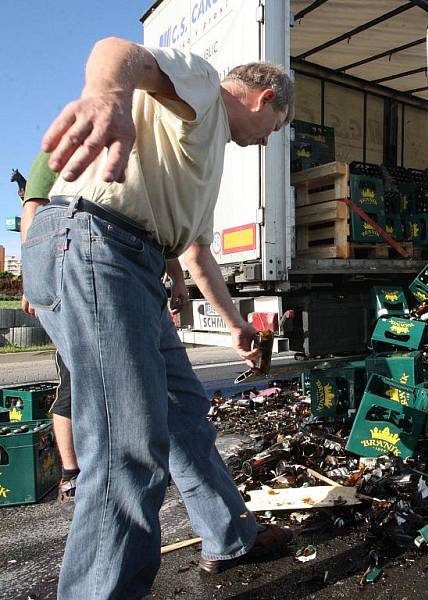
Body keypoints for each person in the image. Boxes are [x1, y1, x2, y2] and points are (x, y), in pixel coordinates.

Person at [22, 37, 294, 599]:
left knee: (184, 409)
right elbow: (119, 52)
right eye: (277, 125)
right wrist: (106, 98)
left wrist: (237, 324)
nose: (270, 139)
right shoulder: (205, 87)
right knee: (128, 442)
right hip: (98, 245)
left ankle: (230, 535)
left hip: (125, 261)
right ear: (266, 97)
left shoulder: (202, 146)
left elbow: (195, 254)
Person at [20, 153, 190, 510]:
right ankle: (72, 474)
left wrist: (175, 276)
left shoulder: (126, 160)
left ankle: (226, 530)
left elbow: (154, 225)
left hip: (133, 271)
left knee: (161, 396)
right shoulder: (65, 147)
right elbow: (33, 210)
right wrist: (33, 278)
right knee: (80, 388)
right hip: (77, 266)